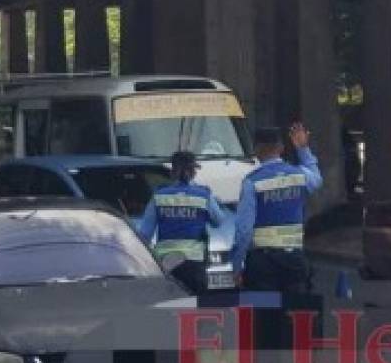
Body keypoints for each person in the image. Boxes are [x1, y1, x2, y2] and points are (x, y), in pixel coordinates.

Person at [232, 123, 322, 293]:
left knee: (265, 315)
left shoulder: (252, 182)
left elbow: (244, 230)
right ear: (281, 148)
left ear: (256, 150)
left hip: (263, 265)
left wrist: (237, 267)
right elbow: (317, 179)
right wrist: (303, 149)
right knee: (294, 314)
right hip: (294, 261)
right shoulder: (300, 175)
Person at [137, 151, 223, 294]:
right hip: (194, 262)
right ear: (193, 171)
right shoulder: (203, 195)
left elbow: (145, 234)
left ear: (173, 171)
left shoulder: (159, 196)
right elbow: (218, 221)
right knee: (195, 308)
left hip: (166, 263)